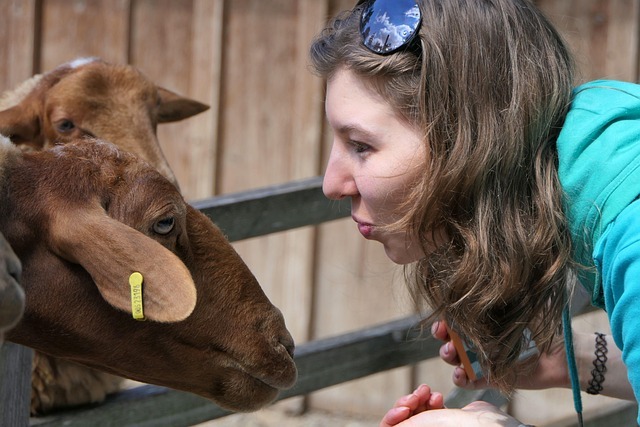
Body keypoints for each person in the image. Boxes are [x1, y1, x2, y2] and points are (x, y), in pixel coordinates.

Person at [308, 0, 640, 425]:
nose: (331, 184)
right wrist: (566, 358)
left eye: (361, 146)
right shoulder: (599, 152)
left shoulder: (630, 228)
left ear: (467, 140)